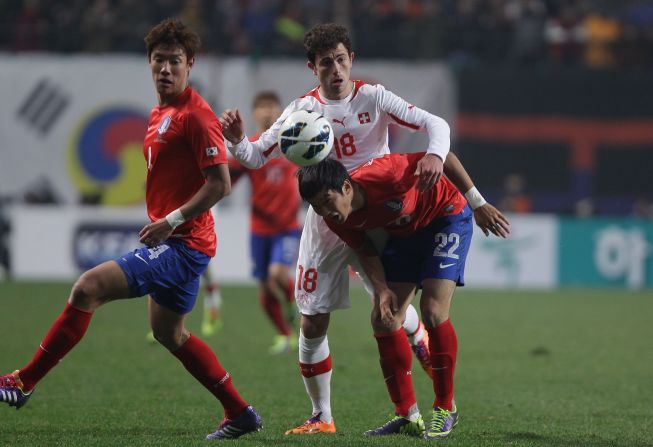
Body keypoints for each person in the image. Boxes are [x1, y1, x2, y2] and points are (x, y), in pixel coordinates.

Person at [220, 23, 508, 435]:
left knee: (388, 309)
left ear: (351, 60)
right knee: (314, 319)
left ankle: (425, 357)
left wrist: (436, 160)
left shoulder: (374, 96)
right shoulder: (301, 112)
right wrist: (235, 141)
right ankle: (324, 416)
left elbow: (436, 127)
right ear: (312, 68)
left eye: (341, 60)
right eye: (325, 64)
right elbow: (252, 155)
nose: (335, 70)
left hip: (386, 210)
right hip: (331, 218)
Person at [0, 19, 262, 441]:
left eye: (175, 61)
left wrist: (170, 222)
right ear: (149, 62)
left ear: (190, 64)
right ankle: (240, 412)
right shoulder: (161, 112)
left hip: (183, 243)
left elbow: (221, 183)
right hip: (181, 241)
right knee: (169, 333)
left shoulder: (197, 116)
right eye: (159, 60)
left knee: (87, 288)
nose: (165, 69)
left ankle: (23, 381)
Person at [297, 154, 509, 439]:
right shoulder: (336, 219)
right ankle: (407, 415)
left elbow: (443, 155)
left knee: (432, 310)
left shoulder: (390, 173)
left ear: (347, 187)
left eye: (327, 200)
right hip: (406, 236)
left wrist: (477, 201)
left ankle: (445, 409)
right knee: (384, 319)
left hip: (445, 217)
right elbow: (365, 250)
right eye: (316, 206)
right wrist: (382, 289)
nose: (324, 211)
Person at [228, 91, 300, 354]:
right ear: (254, 113)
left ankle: (295, 306)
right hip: (259, 228)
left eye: (272, 107)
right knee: (265, 287)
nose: (268, 112)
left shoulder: (295, 141)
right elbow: (227, 180)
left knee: (277, 274)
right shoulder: (250, 148)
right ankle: (285, 335)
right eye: (262, 107)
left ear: (282, 112)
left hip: (288, 227)